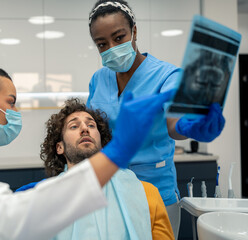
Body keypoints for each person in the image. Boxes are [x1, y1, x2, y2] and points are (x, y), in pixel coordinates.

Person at [0, 63, 173, 240]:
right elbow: (8, 223)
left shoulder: (143, 192)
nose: (15, 113)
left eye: (91, 125)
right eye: (10, 102)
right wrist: (118, 152)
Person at [86, 1, 226, 238]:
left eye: (119, 38)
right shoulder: (98, 79)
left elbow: (174, 123)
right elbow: (94, 131)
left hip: (156, 193)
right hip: (112, 191)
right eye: (102, 44)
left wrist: (189, 126)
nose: (111, 47)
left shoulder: (167, 75)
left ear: (134, 32)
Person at [17, 98, 174, 239]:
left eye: (91, 125)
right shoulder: (42, 200)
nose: (85, 128)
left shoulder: (146, 194)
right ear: (60, 147)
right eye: (74, 126)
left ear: (102, 142)